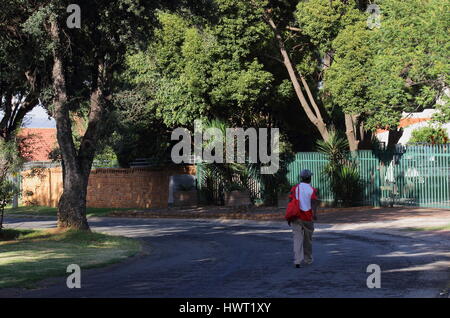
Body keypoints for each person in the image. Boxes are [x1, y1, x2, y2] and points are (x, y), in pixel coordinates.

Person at [289, 169, 318, 268]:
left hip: (295, 216)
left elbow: (290, 201)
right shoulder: (312, 190)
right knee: (308, 239)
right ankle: (308, 259)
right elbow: (314, 203)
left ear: (301, 178)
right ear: (309, 178)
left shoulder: (294, 188)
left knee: (297, 239)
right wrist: (314, 214)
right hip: (307, 217)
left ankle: (297, 260)